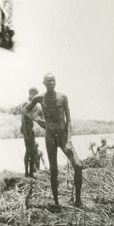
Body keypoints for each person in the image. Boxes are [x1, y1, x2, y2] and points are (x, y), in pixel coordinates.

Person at [23, 73, 83, 208]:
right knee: (54, 169)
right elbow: (25, 109)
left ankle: (78, 201)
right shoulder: (40, 97)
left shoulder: (63, 97)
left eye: (53, 80)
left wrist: (68, 140)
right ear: (44, 83)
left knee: (78, 165)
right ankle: (56, 202)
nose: (51, 83)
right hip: (50, 136)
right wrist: (38, 121)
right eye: (48, 81)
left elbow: (69, 121)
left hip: (63, 136)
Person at [21, 87, 39, 178]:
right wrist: (25, 133)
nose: (35, 97)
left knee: (33, 151)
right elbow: (23, 119)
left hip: (30, 130)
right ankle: (26, 173)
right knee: (28, 151)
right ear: (30, 93)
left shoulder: (32, 105)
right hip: (27, 130)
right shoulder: (25, 103)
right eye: (34, 94)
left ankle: (31, 173)